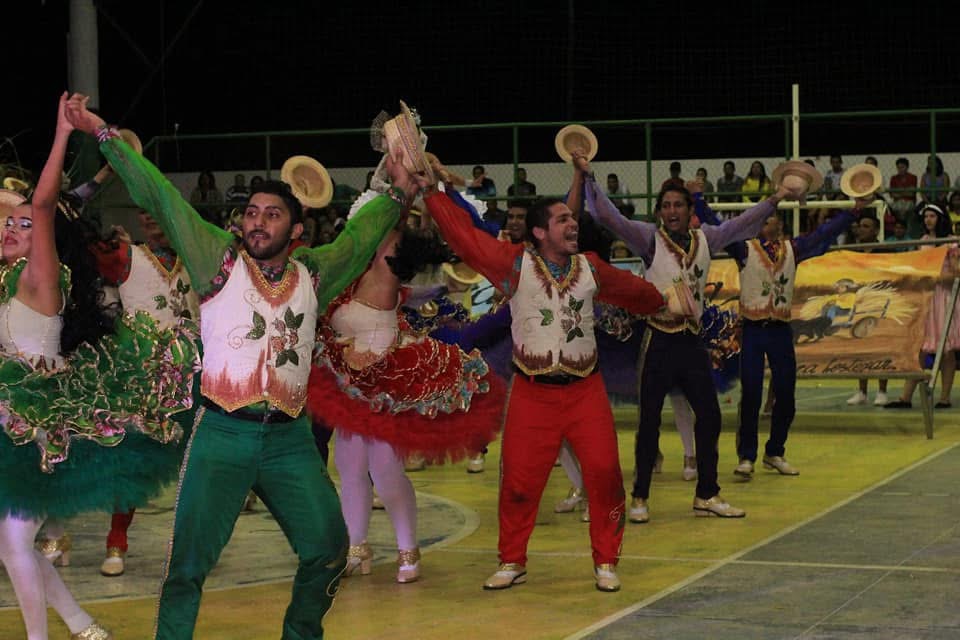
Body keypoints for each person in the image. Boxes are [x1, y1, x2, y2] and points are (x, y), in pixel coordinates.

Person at [67, 94, 415, 640]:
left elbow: (361, 237)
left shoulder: (315, 273)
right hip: (221, 434)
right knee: (187, 566)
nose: (258, 221)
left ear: (296, 231)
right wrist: (102, 133)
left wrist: (397, 189)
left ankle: (301, 633)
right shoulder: (217, 258)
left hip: (289, 440)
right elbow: (161, 196)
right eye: (251, 212)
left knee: (328, 550)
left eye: (272, 214)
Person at [0, 93, 200, 640]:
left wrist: (63, 134)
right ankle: (83, 625)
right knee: (13, 544)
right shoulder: (3, 282)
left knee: (14, 543)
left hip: (43, 426)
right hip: (10, 422)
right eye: (5, 223)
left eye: (22, 224)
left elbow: (45, 205)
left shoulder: (38, 275)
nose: (12, 229)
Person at [423, 171, 665, 593]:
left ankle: (606, 560)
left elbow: (634, 291)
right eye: (562, 220)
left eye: (572, 218)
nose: (572, 223)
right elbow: (464, 239)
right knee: (519, 481)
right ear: (539, 232)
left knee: (605, 473)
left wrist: (662, 301)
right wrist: (431, 193)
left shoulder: (590, 267)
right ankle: (512, 559)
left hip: (586, 391)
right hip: (532, 394)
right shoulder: (514, 266)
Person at [578, 153, 804, 523]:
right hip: (658, 339)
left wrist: (775, 198)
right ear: (658, 212)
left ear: (689, 210)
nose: (672, 211)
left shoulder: (707, 239)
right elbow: (608, 217)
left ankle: (707, 494)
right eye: (666, 205)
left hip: (691, 342)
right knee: (649, 421)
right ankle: (640, 496)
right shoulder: (648, 239)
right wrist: (588, 177)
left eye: (678, 205)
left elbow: (743, 224)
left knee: (710, 416)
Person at [307, 220, 503, 584]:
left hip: (387, 385)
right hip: (350, 385)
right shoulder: (348, 275)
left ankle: (408, 548)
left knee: (384, 469)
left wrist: (405, 197)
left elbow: (390, 223)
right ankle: (356, 547)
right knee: (349, 466)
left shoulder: (385, 273)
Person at [719, 195, 863, 480]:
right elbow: (719, 230)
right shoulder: (744, 249)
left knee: (785, 393)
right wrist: (697, 201)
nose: (765, 222)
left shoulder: (792, 249)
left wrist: (852, 213)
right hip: (753, 329)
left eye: (769, 218)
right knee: (751, 393)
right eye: (761, 219)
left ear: (780, 225)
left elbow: (823, 233)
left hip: (780, 330)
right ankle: (747, 456)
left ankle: (775, 451)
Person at [91, 210, 201, 577]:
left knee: (197, 460)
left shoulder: (199, 258)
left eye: (157, 208)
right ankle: (116, 540)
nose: (150, 217)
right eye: (143, 211)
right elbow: (74, 247)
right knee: (134, 456)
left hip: (193, 371)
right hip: (142, 372)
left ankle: (192, 546)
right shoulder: (125, 255)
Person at [885, 204, 958, 409]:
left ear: (940, 218)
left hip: (944, 298)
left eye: (932, 216)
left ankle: (944, 397)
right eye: (926, 216)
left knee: (946, 350)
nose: (928, 220)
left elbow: (956, 275)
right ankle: (905, 397)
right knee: (920, 347)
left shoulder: (951, 242)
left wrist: (934, 275)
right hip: (926, 297)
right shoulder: (923, 241)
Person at [846, 214, 889, 406]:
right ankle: (862, 391)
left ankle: (882, 390)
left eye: (866, 226)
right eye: (860, 225)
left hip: (878, 303)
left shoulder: (885, 251)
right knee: (860, 347)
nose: (861, 229)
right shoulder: (852, 252)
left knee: (880, 348)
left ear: (876, 231)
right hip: (858, 304)